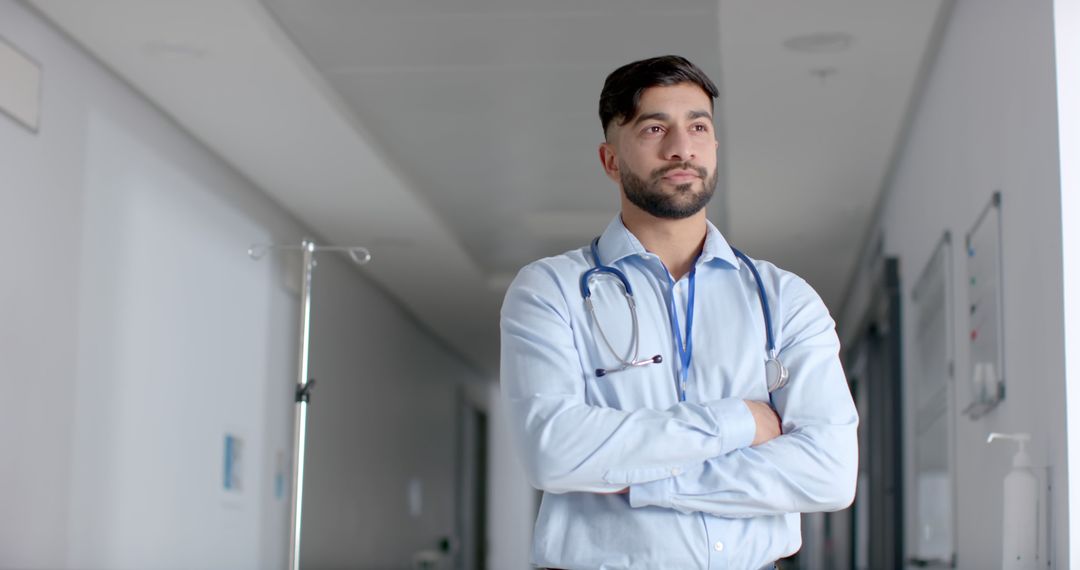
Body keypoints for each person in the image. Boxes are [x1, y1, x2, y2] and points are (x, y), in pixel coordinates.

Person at [499, 55, 858, 569]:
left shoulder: (785, 299)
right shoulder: (551, 290)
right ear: (610, 160)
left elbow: (829, 472)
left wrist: (642, 478)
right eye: (653, 127)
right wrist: (739, 421)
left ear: (714, 147)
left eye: (697, 126)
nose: (680, 147)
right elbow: (554, 453)